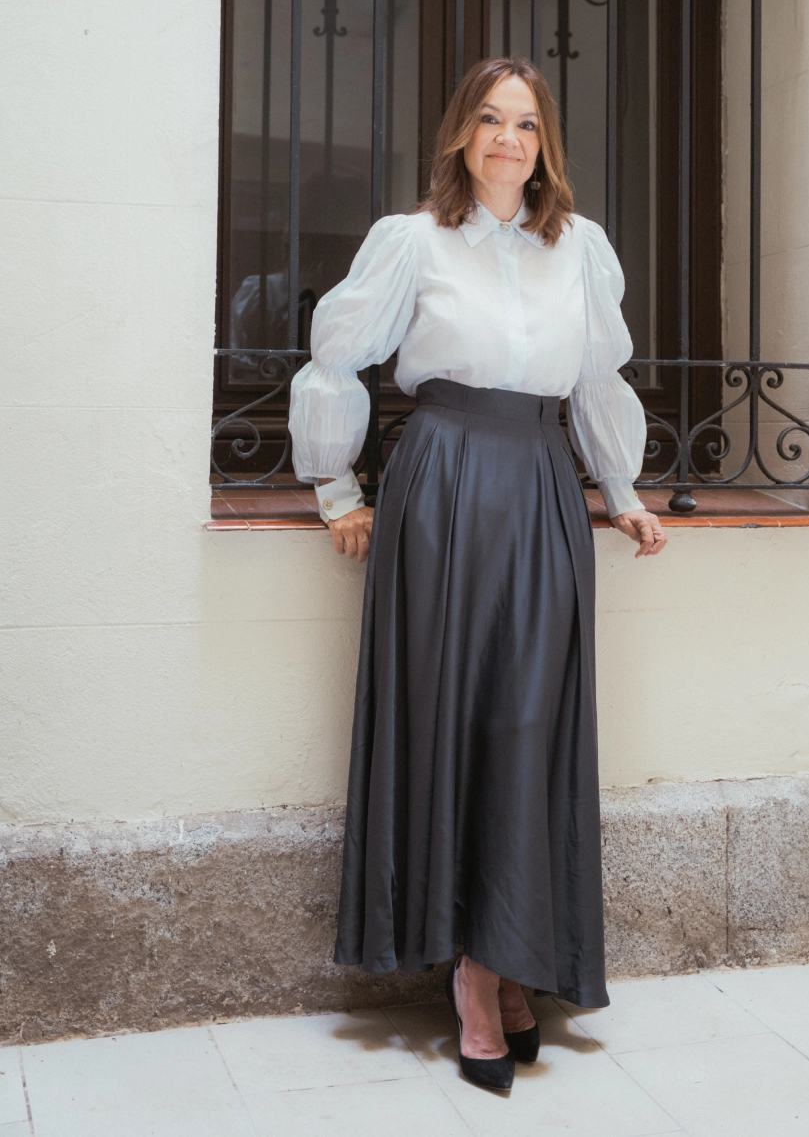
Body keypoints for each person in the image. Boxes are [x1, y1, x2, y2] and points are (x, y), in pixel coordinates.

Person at [289, 57, 666, 1091]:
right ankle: (475, 974)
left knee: (525, 723)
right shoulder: (410, 241)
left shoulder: (578, 248)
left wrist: (622, 490)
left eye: (527, 125)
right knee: (451, 716)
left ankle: (505, 952)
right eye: (491, 120)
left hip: (542, 480)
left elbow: (594, 377)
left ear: (546, 143)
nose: (508, 139)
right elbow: (337, 356)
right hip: (443, 483)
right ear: (462, 133)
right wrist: (335, 487)